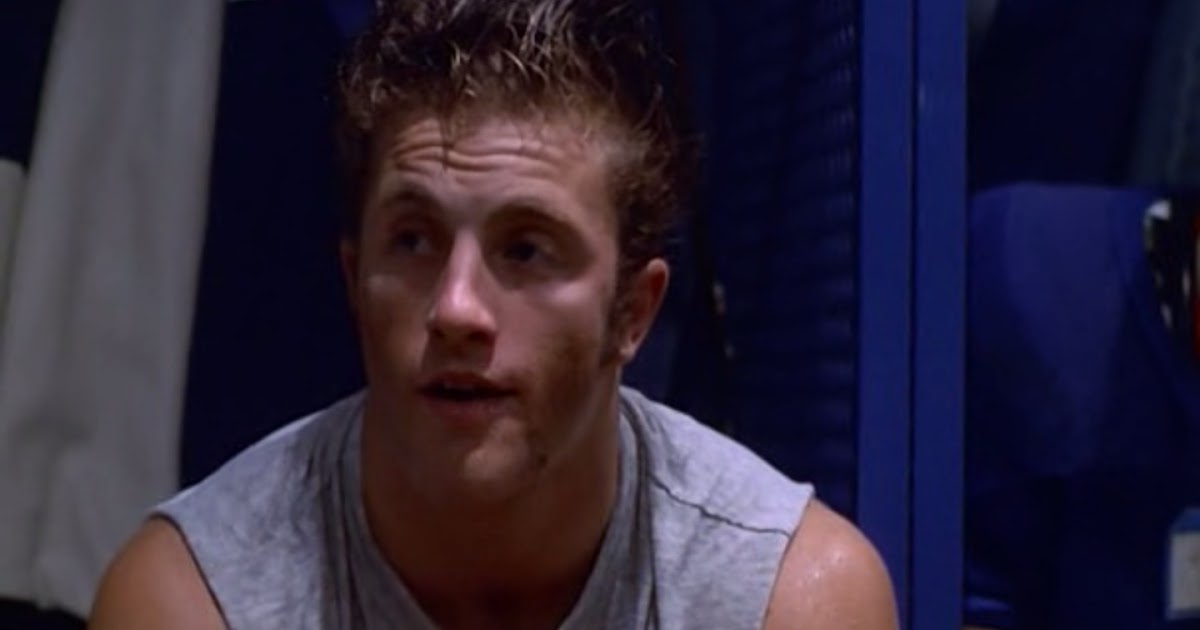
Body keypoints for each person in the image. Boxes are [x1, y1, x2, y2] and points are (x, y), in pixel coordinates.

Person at [87, 1, 897, 628]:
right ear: (353, 280)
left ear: (632, 312)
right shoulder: (194, 602)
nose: (456, 309)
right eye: (413, 240)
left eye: (526, 250)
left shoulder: (784, 599)